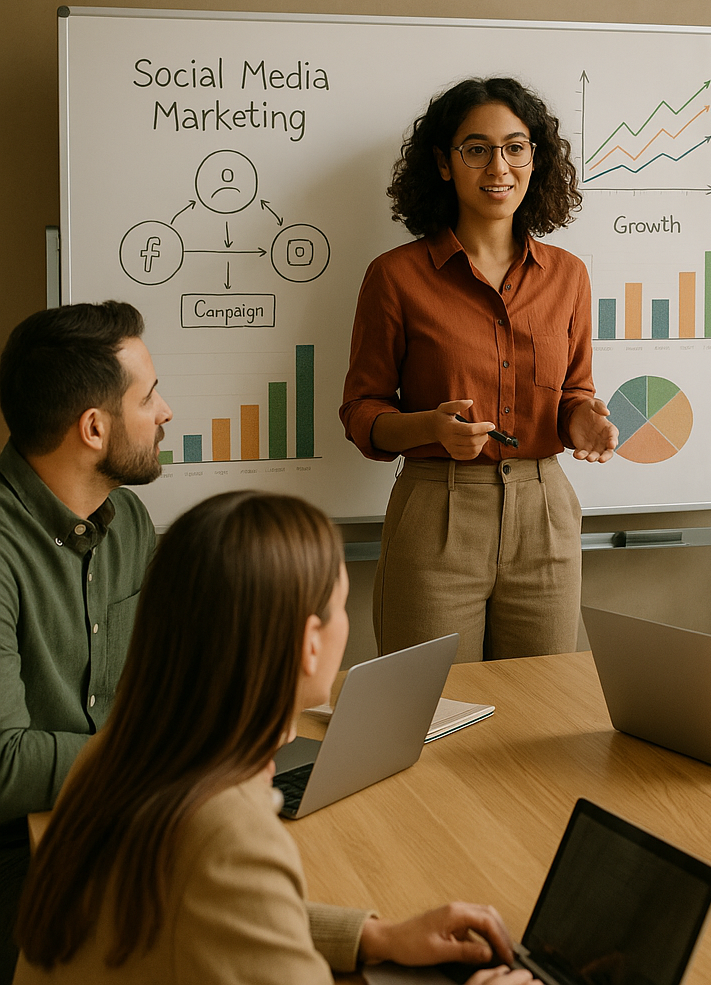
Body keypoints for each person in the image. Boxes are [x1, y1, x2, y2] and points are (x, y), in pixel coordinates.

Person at [13, 491, 538, 985]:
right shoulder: (227, 833)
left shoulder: (123, 753)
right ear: (310, 644)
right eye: (340, 605)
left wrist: (373, 935)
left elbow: (213, 909)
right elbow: (226, 885)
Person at [340, 77, 617, 663]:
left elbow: (573, 391)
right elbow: (362, 412)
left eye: (516, 147)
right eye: (477, 148)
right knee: (432, 715)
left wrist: (581, 421)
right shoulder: (395, 276)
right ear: (444, 162)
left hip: (545, 515)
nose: (500, 166)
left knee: (540, 713)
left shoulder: (568, 276)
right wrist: (429, 429)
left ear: (534, 160)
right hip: (436, 514)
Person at [0, 301, 172, 984]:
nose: (164, 411)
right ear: (94, 427)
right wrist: (153, 759)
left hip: (121, 815)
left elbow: (164, 684)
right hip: (21, 850)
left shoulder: (127, 518)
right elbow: (5, 765)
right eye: (150, 395)